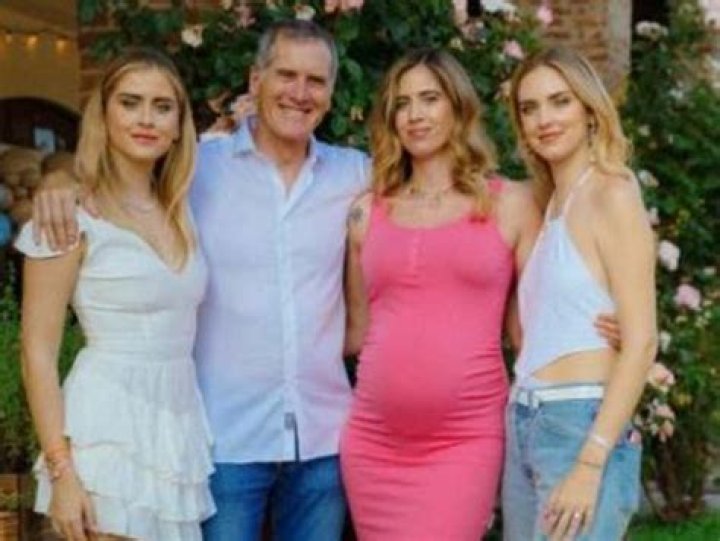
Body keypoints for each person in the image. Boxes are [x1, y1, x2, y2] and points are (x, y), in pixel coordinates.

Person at [31, 20, 368, 541]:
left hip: (322, 438)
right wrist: (58, 180)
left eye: (316, 81)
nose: (299, 93)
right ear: (255, 80)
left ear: (331, 92)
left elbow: (433, 193)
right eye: (286, 75)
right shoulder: (197, 172)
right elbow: (120, 180)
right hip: (224, 441)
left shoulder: (356, 175)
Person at [339, 48, 541, 541]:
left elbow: (531, 331)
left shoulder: (510, 204)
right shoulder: (366, 212)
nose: (415, 114)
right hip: (373, 440)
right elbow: (355, 332)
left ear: (458, 106)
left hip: (464, 439)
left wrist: (605, 344)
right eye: (402, 103)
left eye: (429, 98)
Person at [16, 48, 214, 541]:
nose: (146, 119)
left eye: (162, 107)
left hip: (176, 429)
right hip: (105, 433)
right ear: (103, 114)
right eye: (130, 102)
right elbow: (37, 352)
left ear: (178, 125)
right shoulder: (69, 214)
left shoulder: (180, 208)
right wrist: (62, 471)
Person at [501, 47, 657, 541]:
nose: (544, 119)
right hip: (525, 417)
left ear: (590, 109)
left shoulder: (613, 192)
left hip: (578, 423)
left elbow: (643, 341)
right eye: (529, 108)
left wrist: (591, 462)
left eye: (560, 101)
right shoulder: (548, 203)